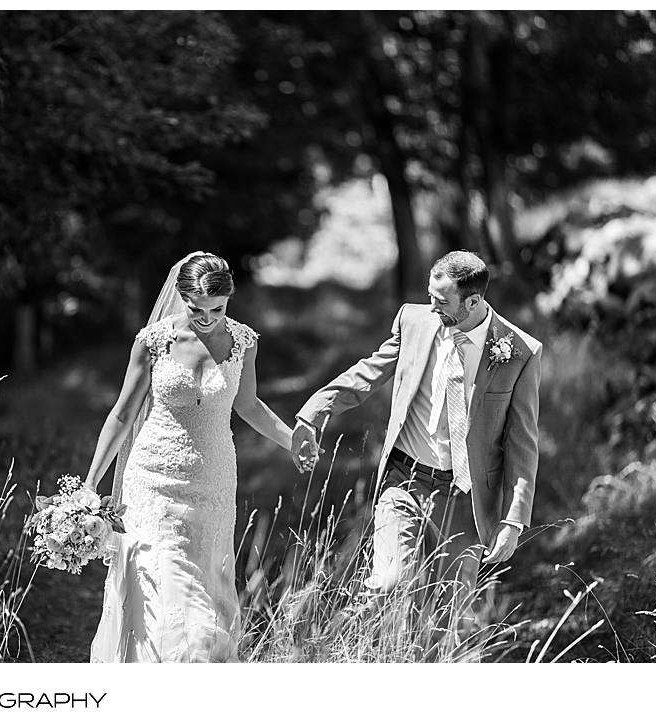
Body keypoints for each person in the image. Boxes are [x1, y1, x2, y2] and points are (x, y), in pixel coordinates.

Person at [291, 251, 541, 646]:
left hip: (466, 498)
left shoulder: (519, 351)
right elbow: (369, 373)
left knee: (447, 619)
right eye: (430, 296)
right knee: (389, 583)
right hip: (404, 480)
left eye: (442, 301)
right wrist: (314, 413)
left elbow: (523, 440)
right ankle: (328, 646)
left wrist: (513, 519)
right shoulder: (415, 321)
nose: (432, 306)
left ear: (473, 301)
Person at [84, 252, 293, 663]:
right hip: (152, 483)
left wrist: (294, 441)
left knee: (204, 606)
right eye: (197, 309)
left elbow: (249, 406)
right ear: (180, 297)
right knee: (161, 599)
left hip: (213, 488)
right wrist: (90, 485)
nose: (207, 318)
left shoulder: (243, 342)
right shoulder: (153, 341)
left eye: (218, 308)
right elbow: (123, 413)